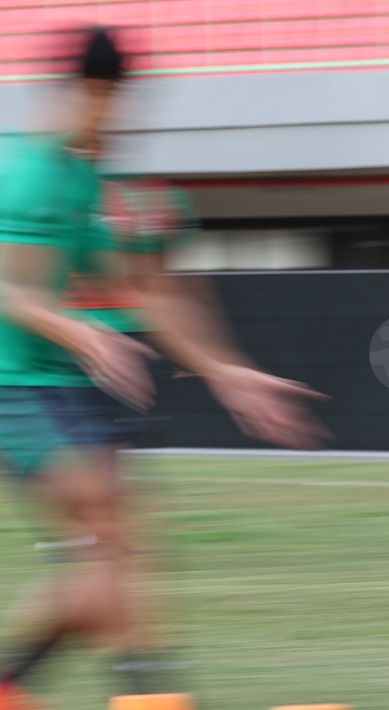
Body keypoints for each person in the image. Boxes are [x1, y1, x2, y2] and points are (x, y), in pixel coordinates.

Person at [0, 28, 327, 707]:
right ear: (92, 92)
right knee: (108, 528)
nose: (122, 117)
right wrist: (78, 330)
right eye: (115, 101)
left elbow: (145, 290)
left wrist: (224, 370)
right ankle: (149, 693)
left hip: (64, 380)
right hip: (15, 383)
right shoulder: (31, 171)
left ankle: (27, 683)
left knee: (114, 552)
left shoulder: (88, 173)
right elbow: (11, 291)